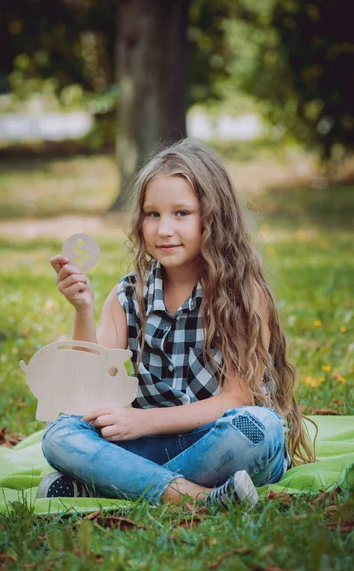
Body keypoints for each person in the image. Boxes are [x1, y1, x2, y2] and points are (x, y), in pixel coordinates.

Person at [37, 139, 315, 508]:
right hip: (148, 446)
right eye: (152, 214)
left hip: (220, 441)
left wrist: (143, 422)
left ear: (214, 217)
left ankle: (111, 482)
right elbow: (89, 392)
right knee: (60, 434)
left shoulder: (241, 294)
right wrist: (82, 310)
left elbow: (237, 397)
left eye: (181, 213)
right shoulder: (128, 297)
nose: (164, 229)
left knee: (259, 429)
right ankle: (192, 496)